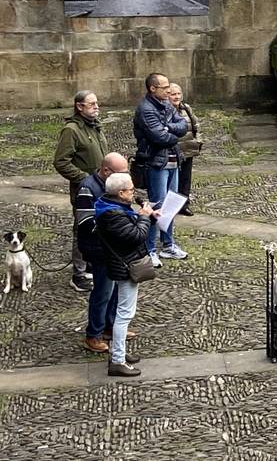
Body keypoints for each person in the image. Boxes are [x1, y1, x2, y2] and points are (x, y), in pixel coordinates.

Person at [94, 172, 158, 377]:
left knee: (122, 313)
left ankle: (117, 352)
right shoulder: (113, 215)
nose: (134, 193)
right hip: (126, 267)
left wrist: (147, 219)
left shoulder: (113, 208)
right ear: (120, 193)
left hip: (123, 263)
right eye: (131, 190)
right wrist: (144, 217)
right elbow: (136, 236)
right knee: (124, 314)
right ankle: (118, 360)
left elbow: (135, 229)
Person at [54, 89, 108, 292]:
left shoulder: (96, 127)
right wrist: (85, 178)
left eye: (96, 103)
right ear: (79, 106)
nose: (96, 106)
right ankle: (78, 273)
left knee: (99, 225)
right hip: (84, 190)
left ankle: (91, 263)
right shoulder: (71, 130)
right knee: (82, 229)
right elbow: (61, 162)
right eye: (91, 103)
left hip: (102, 188)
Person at [133, 73, 189, 265]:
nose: (169, 90)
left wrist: (168, 128)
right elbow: (160, 137)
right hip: (156, 163)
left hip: (173, 160)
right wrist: (170, 132)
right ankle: (149, 249)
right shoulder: (146, 109)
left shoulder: (165, 104)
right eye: (165, 87)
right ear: (152, 88)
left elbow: (183, 125)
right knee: (156, 205)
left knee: (171, 205)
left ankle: (168, 245)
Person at [75, 152, 127, 353]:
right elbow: (85, 222)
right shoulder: (88, 188)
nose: (124, 178)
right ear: (106, 171)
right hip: (98, 248)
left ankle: (109, 326)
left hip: (113, 248)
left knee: (114, 290)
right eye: (120, 174)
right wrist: (115, 226)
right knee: (102, 292)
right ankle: (93, 335)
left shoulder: (112, 185)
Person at [166, 83, 200, 217]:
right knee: (172, 179)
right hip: (173, 151)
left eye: (178, 93)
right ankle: (170, 206)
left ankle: (183, 205)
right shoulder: (165, 111)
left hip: (188, 149)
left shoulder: (186, 108)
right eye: (173, 94)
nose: (176, 96)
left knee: (185, 179)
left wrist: (198, 141)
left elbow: (195, 124)